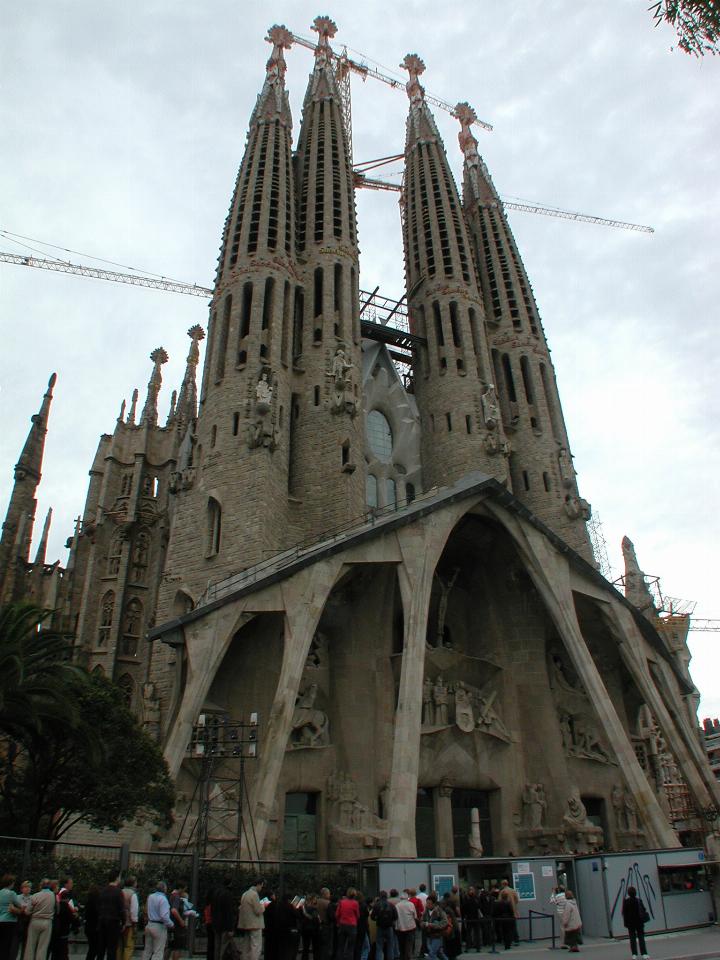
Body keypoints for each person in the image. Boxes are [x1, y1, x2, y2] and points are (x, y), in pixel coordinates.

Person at [22, 880, 56, 960]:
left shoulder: (35, 896)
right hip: (47, 922)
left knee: (30, 945)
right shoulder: (52, 895)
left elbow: (27, 912)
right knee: (43, 947)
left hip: (35, 921)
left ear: (40, 886)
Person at [142, 882, 174, 960]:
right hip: (159, 927)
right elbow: (164, 916)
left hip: (150, 924)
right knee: (158, 952)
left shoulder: (150, 897)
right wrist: (171, 924)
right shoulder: (163, 899)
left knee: (147, 950)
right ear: (164, 889)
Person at [96, 873, 125, 960]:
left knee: (101, 947)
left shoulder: (102, 891)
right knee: (112, 948)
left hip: (102, 921)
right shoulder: (118, 892)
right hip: (113, 922)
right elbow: (121, 908)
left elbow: (98, 906)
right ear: (116, 879)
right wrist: (123, 922)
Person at [237, 879, 266, 960]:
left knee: (246, 946)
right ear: (258, 885)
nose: (261, 888)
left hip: (246, 924)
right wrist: (263, 906)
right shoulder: (254, 894)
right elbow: (258, 910)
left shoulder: (245, 894)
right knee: (256, 946)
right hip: (255, 924)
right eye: (261, 886)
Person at [210, 878, 237, 960]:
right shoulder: (228, 894)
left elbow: (212, 909)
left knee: (217, 946)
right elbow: (229, 912)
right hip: (225, 925)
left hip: (216, 924)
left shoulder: (216, 893)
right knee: (224, 947)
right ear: (230, 884)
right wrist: (230, 928)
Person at [621, 886, 649, 960]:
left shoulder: (626, 902)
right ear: (635, 893)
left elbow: (624, 913)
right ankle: (644, 954)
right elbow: (644, 909)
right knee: (641, 938)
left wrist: (626, 923)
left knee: (632, 939)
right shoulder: (639, 901)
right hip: (639, 922)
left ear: (628, 893)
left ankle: (634, 954)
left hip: (630, 923)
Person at [0, 874, 23, 960]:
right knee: (7, 944)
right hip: (9, 921)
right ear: (11, 883)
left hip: (0, 920)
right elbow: (20, 906)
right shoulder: (12, 894)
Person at [335, 888, 360, 960]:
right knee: (351, 947)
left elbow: (337, 914)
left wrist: (338, 922)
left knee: (340, 947)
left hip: (342, 925)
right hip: (352, 926)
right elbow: (358, 915)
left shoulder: (341, 902)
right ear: (354, 894)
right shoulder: (355, 903)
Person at [370, 892, 396, 960]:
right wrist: (391, 920)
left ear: (380, 896)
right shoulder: (391, 905)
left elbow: (372, 917)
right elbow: (396, 917)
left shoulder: (376, 905)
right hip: (389, 927)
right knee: (390, 946)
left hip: (380, 927)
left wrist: (377, 919)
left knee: (379, 947)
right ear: (386, 896)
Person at [420, 895, 446, 960]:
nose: (427, 905)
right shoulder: (425, 911)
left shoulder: (439, 911)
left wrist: (432, 925)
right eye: (427, 903)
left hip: (437, 936)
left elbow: (445, 922)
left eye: (429, 903)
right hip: (428, 936)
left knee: (431, 955)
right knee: (439, 954)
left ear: (434, 904)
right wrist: (422, 924)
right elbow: (422, 920)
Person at [119, 876, 139, 960]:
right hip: (129, 924)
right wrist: (135, 925)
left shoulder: (120, 892)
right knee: (128, 946)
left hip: (119, 923)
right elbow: (134, 911)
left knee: (119, 946)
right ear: (134, 883)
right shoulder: (133, 894)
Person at [394, 893, 416, 960]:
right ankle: (408, 957)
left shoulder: (397, 905)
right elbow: (415, 916)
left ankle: (402, 957)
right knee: (409, 947)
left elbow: (395, 917)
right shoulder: (411, 904)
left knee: (401, 946)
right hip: (410, 928)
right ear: (407, 898)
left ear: (401, 898)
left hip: (400, 929)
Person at [169, 885, 189, 960]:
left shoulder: (171, 896)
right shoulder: (177, 897)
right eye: (184, 890)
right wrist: (181, 921)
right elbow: (174, 910)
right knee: (178, 948)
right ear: (180, 889)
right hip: (178, 925)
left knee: (170, 947)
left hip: (171, 923)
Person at [499, 881, 519, 946]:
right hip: (513, 910)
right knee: (513, 926)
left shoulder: (502, 892)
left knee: (506, 928)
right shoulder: (513, 890)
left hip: (505, 912)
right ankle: (516, 939)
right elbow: (517, 900)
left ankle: (508, 940)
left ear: (503, 884)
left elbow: (499, 901)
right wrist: (514, 905)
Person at [84, 885, 100, 960]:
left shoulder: (88, 901)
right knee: (94, 948)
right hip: (95, 928)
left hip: (88, 927)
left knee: (92, 948)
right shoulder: (96, 902)